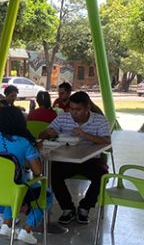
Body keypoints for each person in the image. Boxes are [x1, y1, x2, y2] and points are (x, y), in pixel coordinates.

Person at [39, 91, 110, 224]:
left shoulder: (100, 119)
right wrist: (47, 132)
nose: (73, 113)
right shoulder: (63, 118)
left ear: (88, 107)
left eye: (78, 109)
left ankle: (85, 207)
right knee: (52, 173)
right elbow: (42, 134)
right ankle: (67, 208)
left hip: (91, 159)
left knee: (102, 175)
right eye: (71, 109)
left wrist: (85, 135)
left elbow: (107, 141)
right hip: (67, 159)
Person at [0, 106, 52, 245]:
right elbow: (38, 171)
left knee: (11, 184)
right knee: (47, 194)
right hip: (15, 190)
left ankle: (7, 224)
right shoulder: (24, 142)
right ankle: (26, 230)